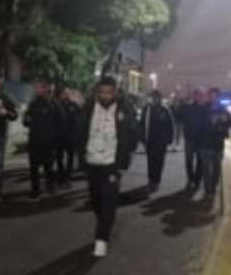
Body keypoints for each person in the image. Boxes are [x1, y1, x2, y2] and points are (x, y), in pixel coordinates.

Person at [80, 76, 138, 258]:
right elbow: (80, 129)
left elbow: (133, 131)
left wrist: (124, 158)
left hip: (111, 163)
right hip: (92, 161)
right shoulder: (89, 106)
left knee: (109, 200)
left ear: (115, 91)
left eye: (109, 92)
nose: (106, 96)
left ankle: (101, 238)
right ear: (98, 91)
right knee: (96, 200)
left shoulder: (124, 107)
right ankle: (104, 223)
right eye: (102, 92)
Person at [23, 79, 62, 201]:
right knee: (33, 168)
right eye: (36, 88)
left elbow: (61, 121)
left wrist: (56, 138)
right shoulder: (32, 103)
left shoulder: (53, 103)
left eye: (39, 88)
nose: (37, 90)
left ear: (45, 89)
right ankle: (35, 191)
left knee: (48, 167)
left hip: (49, 142)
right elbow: (25, 121)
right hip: (34, 140)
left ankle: (51, 187)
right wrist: (27, 120)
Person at [196, 87, 231, 198]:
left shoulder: (224, 109)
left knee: (217, 168)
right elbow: (199, 125)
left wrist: (221, 123)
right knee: (206, 169)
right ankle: (208, 190)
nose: (213, 98)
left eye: (215, 96)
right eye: (211, 95)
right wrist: (211, 124)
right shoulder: (203, 109)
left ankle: (214, 186)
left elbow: (229, 123)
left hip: (218, 144)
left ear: (218, 96)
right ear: (208, 96)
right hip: (205, 144)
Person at [140, 89, 175, 196]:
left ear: (159, 98)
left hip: (161, 142)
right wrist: (142, 138)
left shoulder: (164, 110)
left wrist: (169, 139)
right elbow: (141, 124)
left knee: (159, 162)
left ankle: (156, 180)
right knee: (150, 162)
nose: (154, 99)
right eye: (152, 97)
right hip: (150, 141)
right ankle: (151, 180)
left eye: (156, 97)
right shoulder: (146, 109)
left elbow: (170, 125)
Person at [181, 89, 207, 191]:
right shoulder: (188, 107)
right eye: (196, 95)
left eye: (200, 95)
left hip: (201, 140)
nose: (198, 97)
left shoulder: (206, 108)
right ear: (193, 96)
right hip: (190, 139)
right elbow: (180, 117)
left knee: (200, 161)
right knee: (189, 161)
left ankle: (197, 181)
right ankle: (190, 179)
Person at [55, 88, 82, 188]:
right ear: (61, 95)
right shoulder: (58, 104)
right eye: (64, 93)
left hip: (71, 137)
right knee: (59, 157)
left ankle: (68, 178)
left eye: (68, 94)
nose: (66, 95)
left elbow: (80, 117)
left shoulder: (74, 105)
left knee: (70, 159)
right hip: (60, 136)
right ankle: (61, 176)